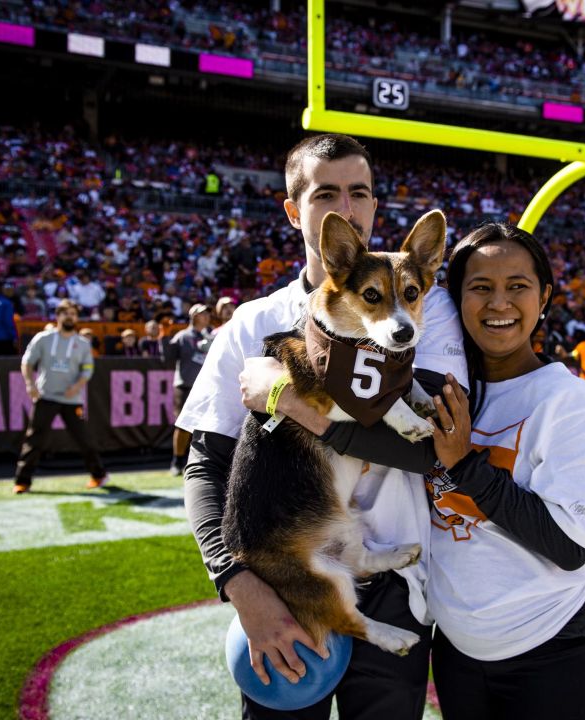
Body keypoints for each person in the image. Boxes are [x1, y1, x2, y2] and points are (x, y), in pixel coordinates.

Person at [178, 133, 466, 720]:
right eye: (325, 194)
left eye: (359, 193)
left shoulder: (426, 319)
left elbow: (435, 448)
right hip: (285, 586)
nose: (347, 209)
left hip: (396, 583)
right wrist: (238, 585)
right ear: (293, 210)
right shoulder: (251, 322)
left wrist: (291, 401)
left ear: (376, 207)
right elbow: (206, 467)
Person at [420, 223, 585, 720]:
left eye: (517, 287)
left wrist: (467, 466)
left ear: (544, 296)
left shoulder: (572, 404)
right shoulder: (436, 393)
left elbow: (571, 548)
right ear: (454, 298)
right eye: (480, 287)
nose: (499, 304)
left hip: (551, 649)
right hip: (456, 652)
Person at [13, 299, 108, 494]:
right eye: (65, 313)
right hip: (46, 396)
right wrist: (30, 384)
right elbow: (27, 362)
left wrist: (78, 385)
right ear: (58, 316)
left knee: (84, 439)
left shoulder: (82, 343)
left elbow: (88, 368)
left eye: (73, 314)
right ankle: (22, 481)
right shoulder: (43, 338)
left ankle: (98, 475)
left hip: (71, 399)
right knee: (34, 440)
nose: (70, 317)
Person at [165, 303, 212, 476]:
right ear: (193, 316)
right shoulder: (183, 336)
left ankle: (202, 458)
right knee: (183, 424)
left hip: (207, 385)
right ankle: (177, 460)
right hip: (186, 384)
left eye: (207, 313)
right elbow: (168, 357)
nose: (206, 316)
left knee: (208, 425)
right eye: (202, 313)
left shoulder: (212, 336)